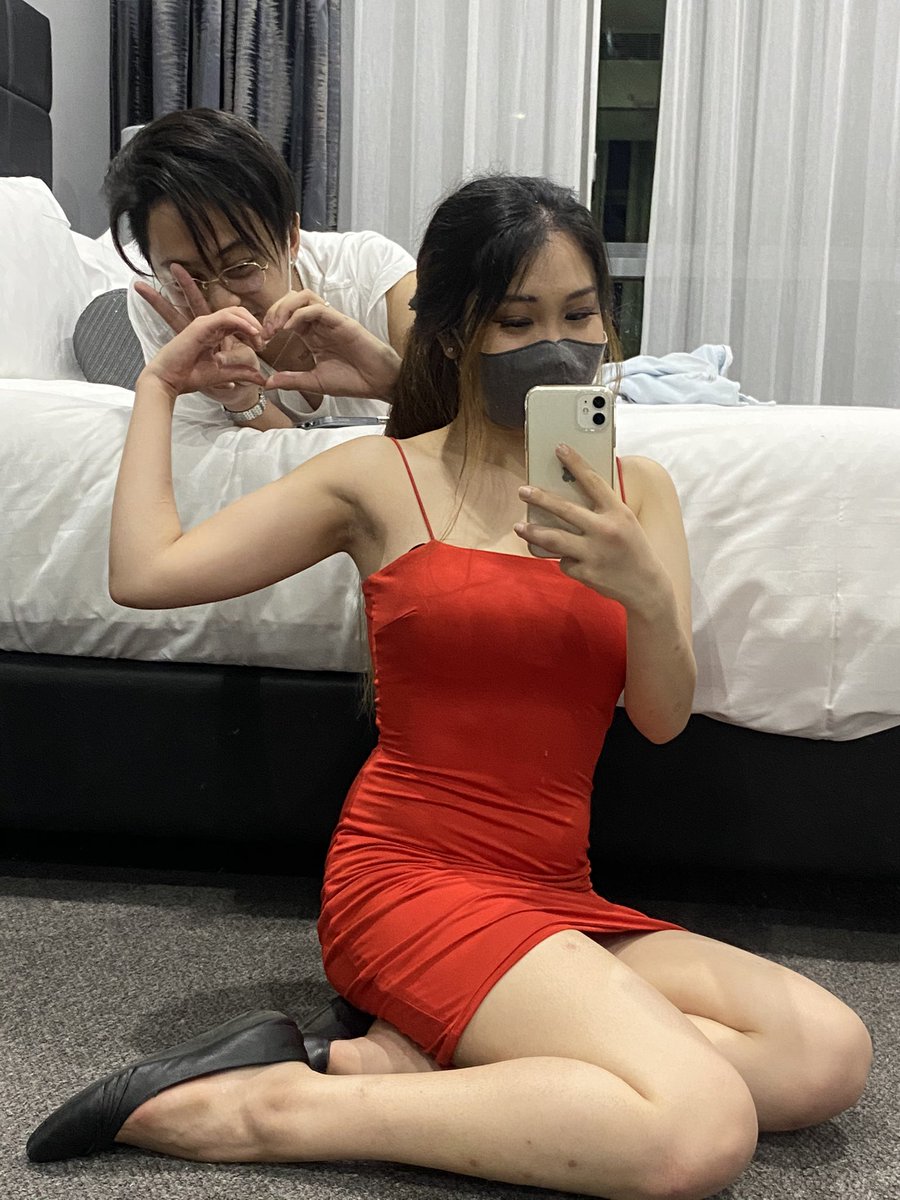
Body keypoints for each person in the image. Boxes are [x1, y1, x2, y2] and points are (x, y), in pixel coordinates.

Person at [27, 175, 872, 1199]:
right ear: (454, 331)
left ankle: (394, 1061)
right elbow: (144, 572)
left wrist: (646, 592)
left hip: (553, 890)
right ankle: (272, 1108)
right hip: (409, 879)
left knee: (825, 1055)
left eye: (579, 314)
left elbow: (658, 719)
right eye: (517, 320)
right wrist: (159, 388)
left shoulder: (637, 490)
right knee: (699, 1128)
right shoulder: (379, 477)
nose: (556, 345)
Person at [103, 107, 416, 429]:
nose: (223, 304)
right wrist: (242, 400)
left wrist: (393, 384)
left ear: (291, 238)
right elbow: (235, 450)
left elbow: (452, 410)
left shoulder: (372, 274)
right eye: (189, 281)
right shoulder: (160, 304)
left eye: (241, 267)